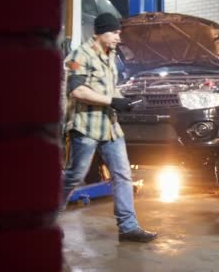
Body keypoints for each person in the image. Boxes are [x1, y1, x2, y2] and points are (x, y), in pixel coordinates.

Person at [62, 13, 157, 243]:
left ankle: (128, 227)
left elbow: (110, 89)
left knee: (123, 175)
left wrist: (125, 101)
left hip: (111, 127)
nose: (118, 36)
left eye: (118, 32)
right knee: (75, 176)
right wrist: (112, 101)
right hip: (86, 126)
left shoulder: (111, 54)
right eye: (114, 32)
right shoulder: (79, 56)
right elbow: (77, 91)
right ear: (100, 32)